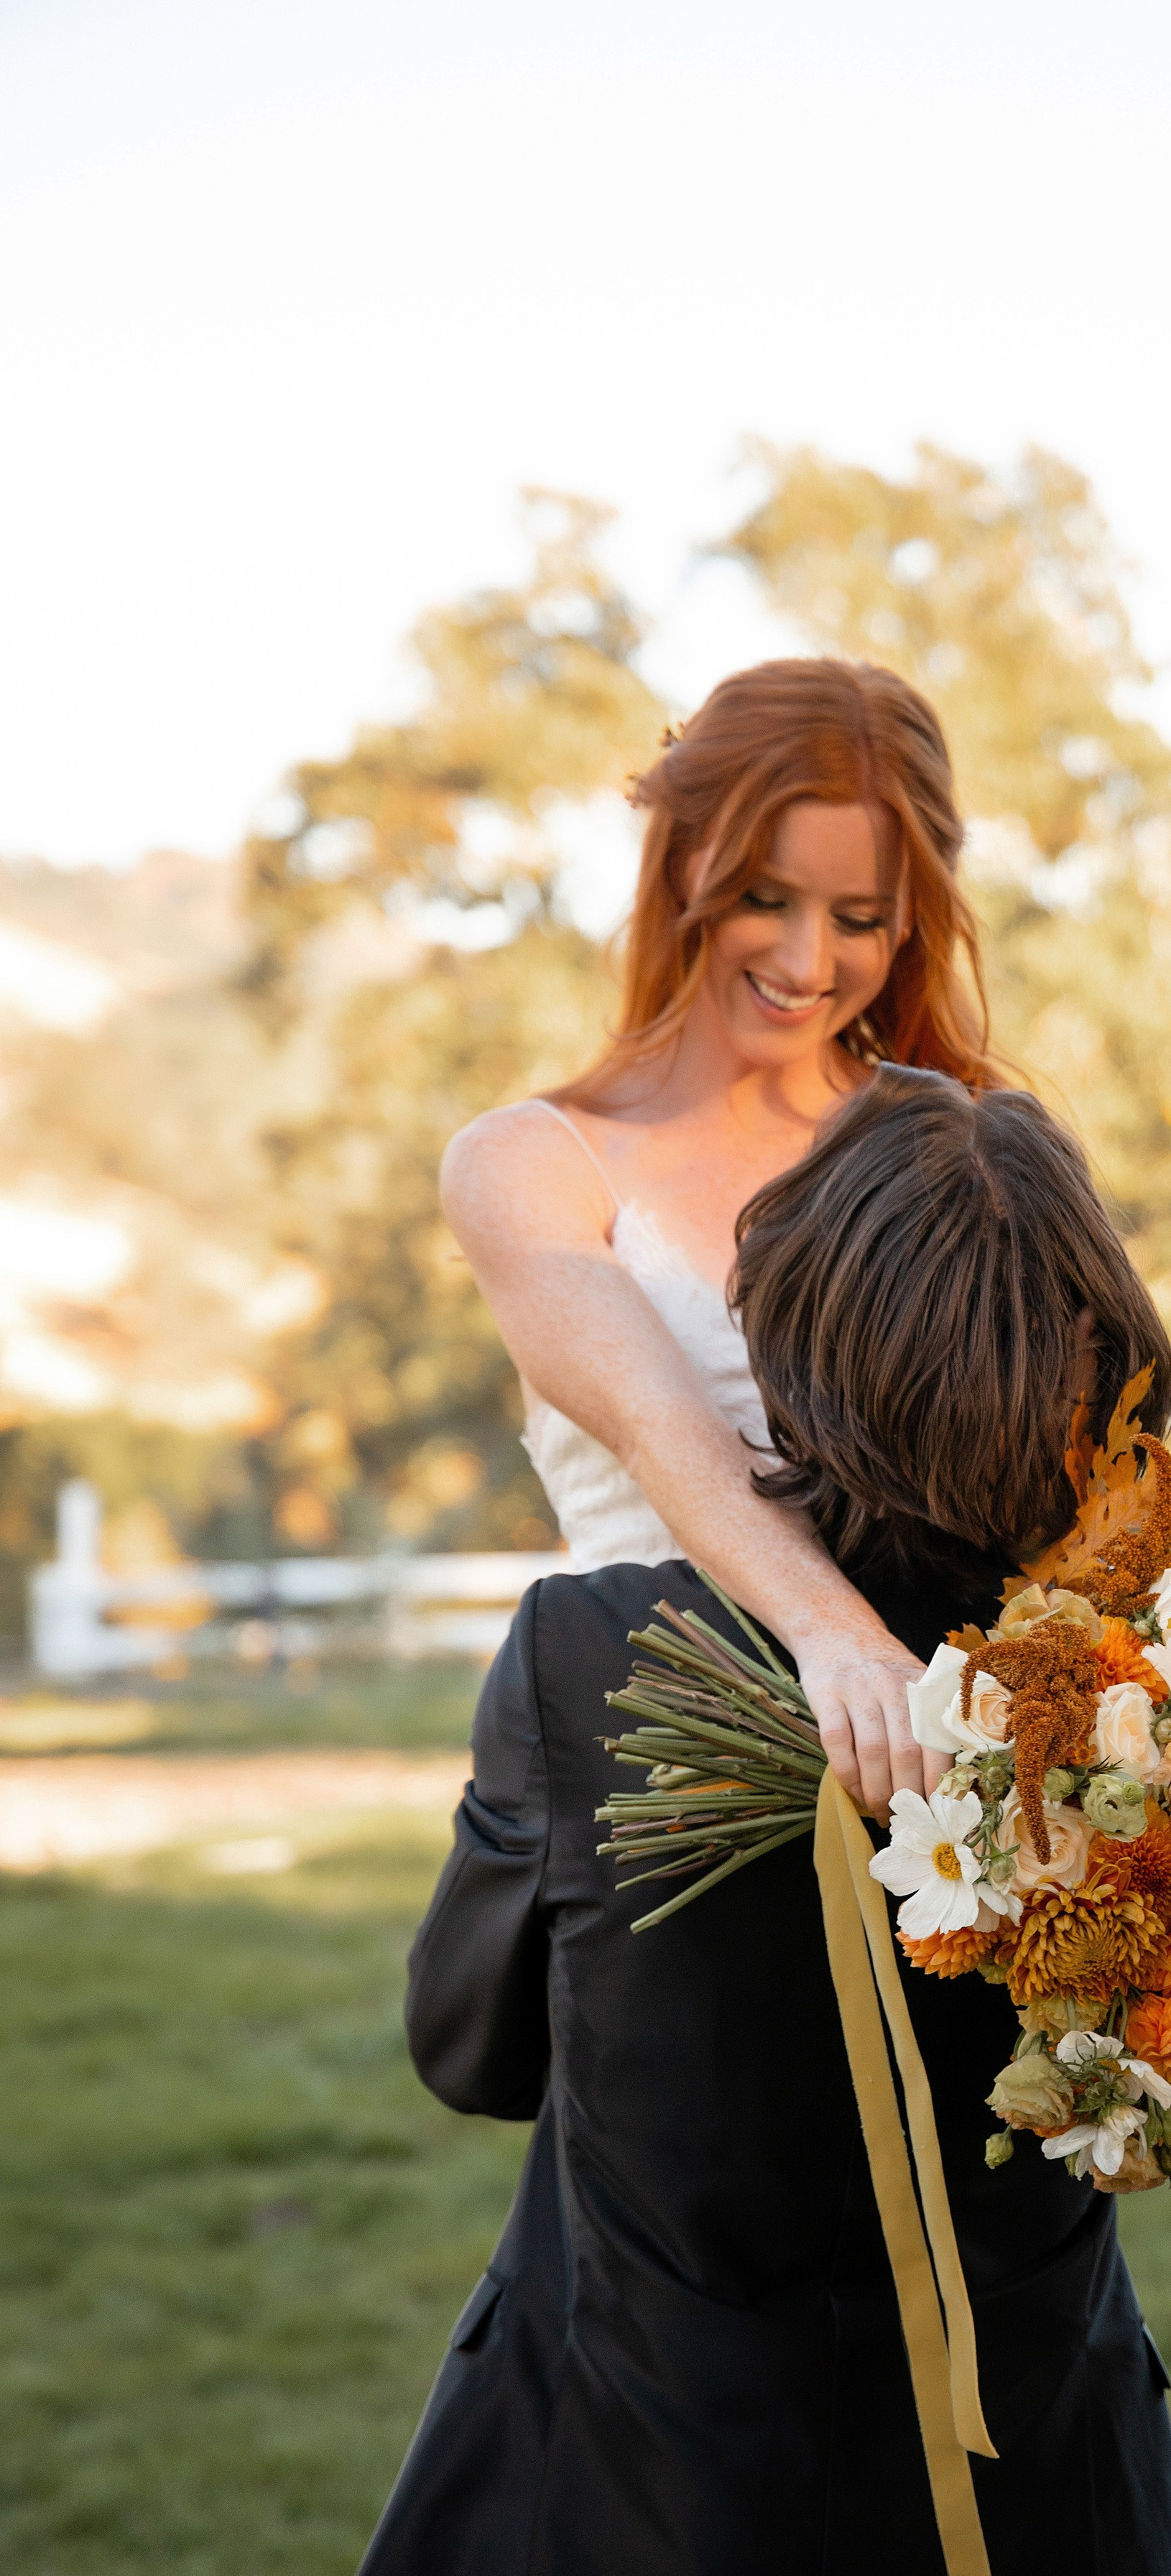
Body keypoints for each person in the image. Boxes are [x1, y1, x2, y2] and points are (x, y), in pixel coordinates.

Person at [335, 1068, 1171, 2576]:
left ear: (789, 1330)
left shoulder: (596, 1658)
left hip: (649, 2535)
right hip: (1019, 2520)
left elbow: (471, 2050)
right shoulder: (1155, 1689)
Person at [440, 656, 999, 1819]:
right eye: (765, 898)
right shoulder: (530, 1163)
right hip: (661, 1790)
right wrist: (844, 1647)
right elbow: (661, 1429)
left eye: (858, 921)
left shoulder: (971, 1149)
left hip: (953, 1783)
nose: (805, 964)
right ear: (685, 861)